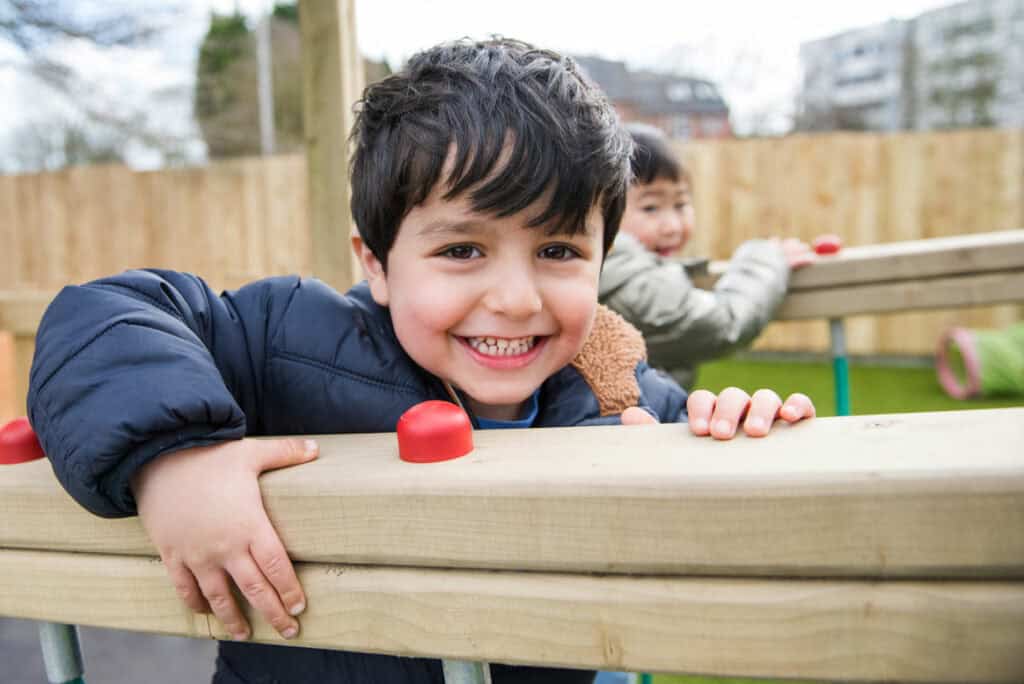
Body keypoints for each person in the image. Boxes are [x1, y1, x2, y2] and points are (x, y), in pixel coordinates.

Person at [27, 39, 814, 684]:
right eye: (463, 249)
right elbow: (101, 315)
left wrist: (726, 430)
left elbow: (753, 514)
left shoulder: (619, 394)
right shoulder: (290, 342)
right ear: (376, 263)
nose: (514, 298)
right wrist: (175, 455)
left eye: (557, 249)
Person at [599, 123, 816, 390]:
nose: (672, 226)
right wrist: (765, 260)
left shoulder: (619, 272)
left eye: (680, 204)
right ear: (600, 213)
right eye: (650, 207)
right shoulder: (625, 282)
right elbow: (723, 325)